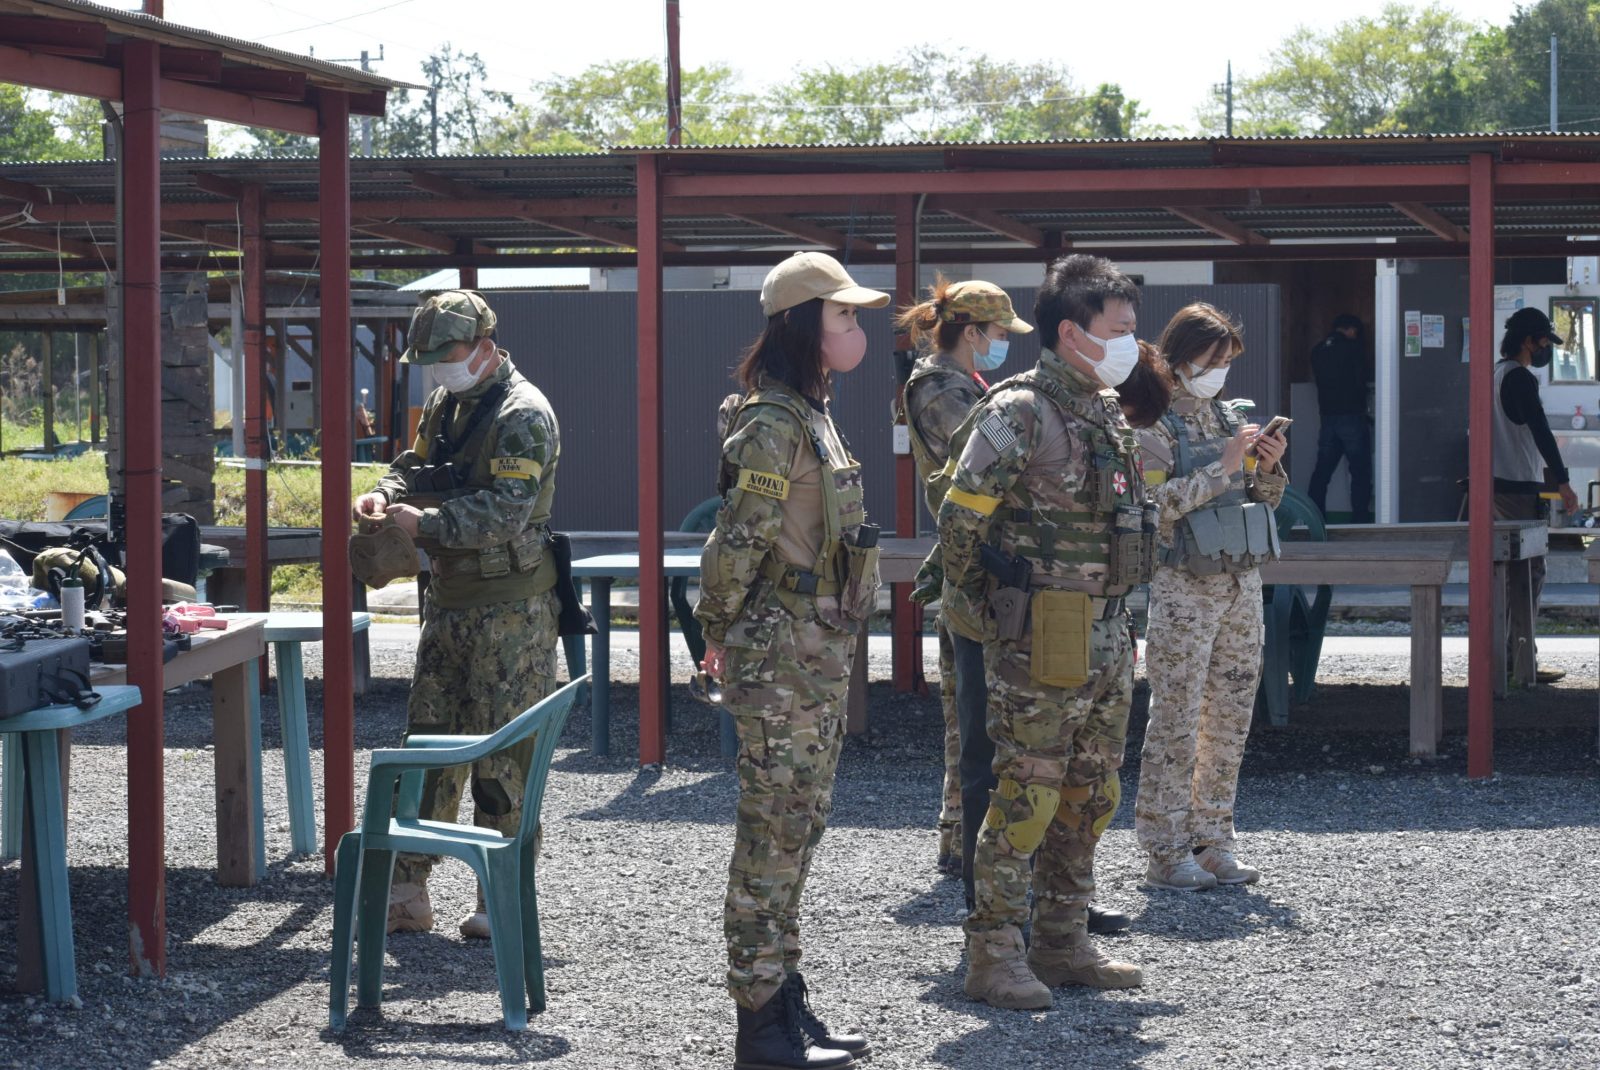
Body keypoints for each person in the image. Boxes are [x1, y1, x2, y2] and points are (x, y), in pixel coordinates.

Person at [938, 253, 1155, 1010]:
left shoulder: (1103, 409)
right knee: (1026, 795)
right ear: (1071, 331)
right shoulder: (1021, 410)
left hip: (1108, 630)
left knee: (1090, 794)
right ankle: (993, 953)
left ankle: (1062, 942)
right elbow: (961, 519)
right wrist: (987, 617)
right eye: (1119, 330)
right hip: (1042, 635)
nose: (1130, 343)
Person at [696, 252, 885, 1070]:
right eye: (843, 315)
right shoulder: (773, 422)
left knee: (800, 829)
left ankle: (785, 999)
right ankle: (759, 1026)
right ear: (803, 324)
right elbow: (737, 541)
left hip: (814, 648)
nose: (856, 328)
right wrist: (715, 629)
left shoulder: (811, 413)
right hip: (779, 653)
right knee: (772, 835)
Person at [350, 290, 562, 939]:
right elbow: (417, 465)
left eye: (448, 357)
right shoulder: (449, 405)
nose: (439, 370)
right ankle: (408, 892)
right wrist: (384, 493)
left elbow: (507, 512)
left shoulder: (524, 414)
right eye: (431, 361)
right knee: (429, 744)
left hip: (511, 610)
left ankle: (499, 897)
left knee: (503, 758)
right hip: (448, 602)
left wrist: (427, 524)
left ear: (485, 348)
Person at [1132, 303, 1287, 892]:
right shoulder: (1152, 423)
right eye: (1210, 360)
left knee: (1229, 719)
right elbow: (1152, 507)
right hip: (1184, 589)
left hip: (1239, 584)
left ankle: (1214, 839)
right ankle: (1166, 850)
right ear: (1179, 357)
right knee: (1175, 720)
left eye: (1226, 361)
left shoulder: (1230, 416)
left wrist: (1267, 469)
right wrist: (1222, 468)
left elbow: (1262, 500)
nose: (1219, 371)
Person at [895, 277, 1032, 887]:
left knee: (972, 714)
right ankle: (964, 839)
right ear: (972, 332)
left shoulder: (966, 383)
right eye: (999, 332)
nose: (1004, 342)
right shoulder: (939, 388)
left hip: (981, 556)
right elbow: (991, 460)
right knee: (974, 715)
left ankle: (959, 837)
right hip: (973, 559)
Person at [1494, 306, 1578, 684]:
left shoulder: (1494, 374)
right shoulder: (1520, 378)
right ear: (1529, 341)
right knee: (1528, 574)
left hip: (1494, 485)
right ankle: (1519, 661)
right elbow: (1540, 430)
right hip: (1516, 488)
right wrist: (1562, 480)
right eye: (1544, 341)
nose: (1546, 349)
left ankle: (1504, 658)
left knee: (1505, 576)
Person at [1306, 313, 1373, 523]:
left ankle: (1315, 519)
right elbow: (1361, 379)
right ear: (1351, 329)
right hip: (1352, 416)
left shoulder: (1318, 350)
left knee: (1322, 473)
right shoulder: (1353, 349)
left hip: (1328, 418)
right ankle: (1360, 521)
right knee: (1360, 472)